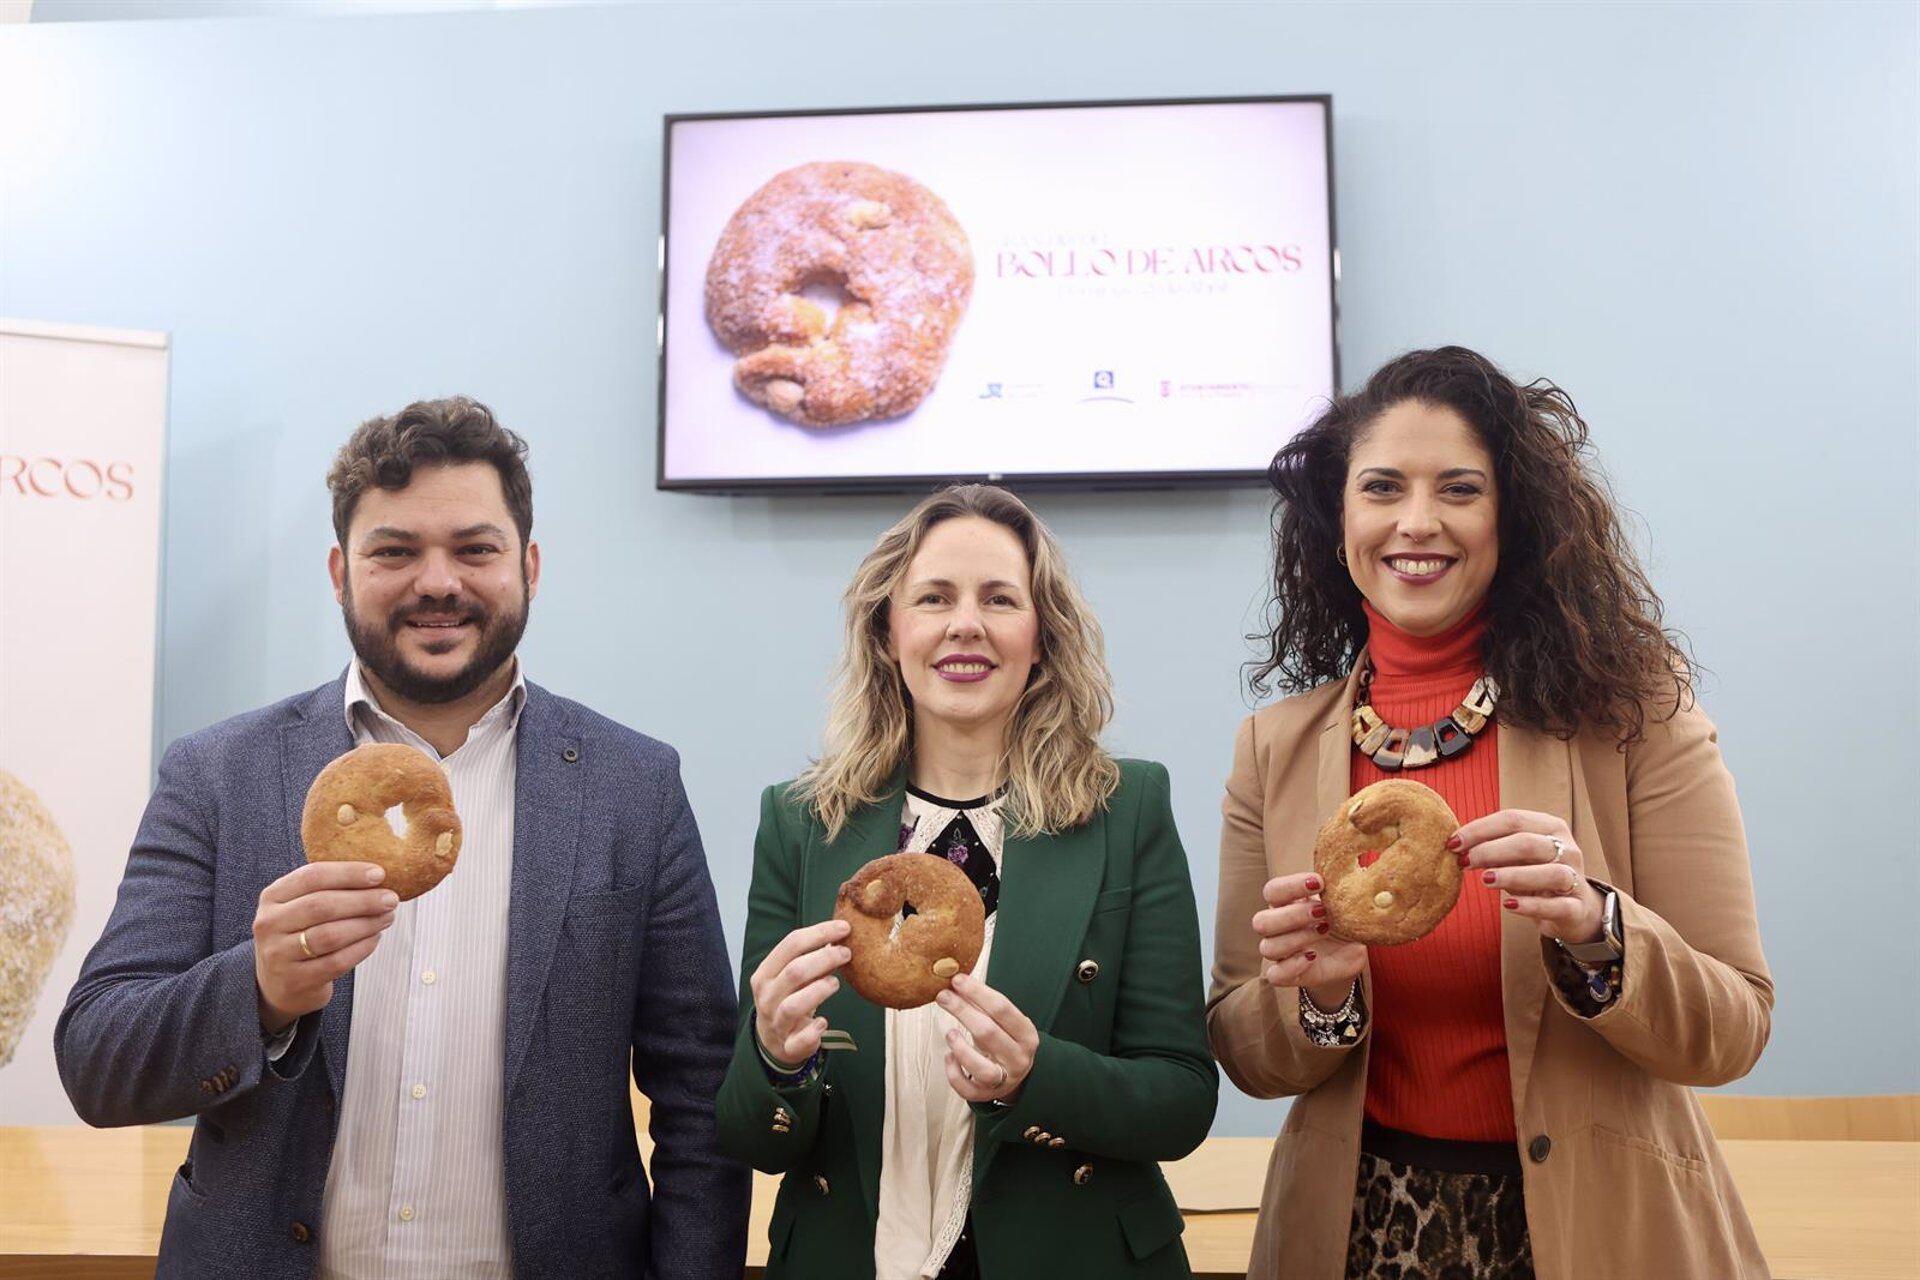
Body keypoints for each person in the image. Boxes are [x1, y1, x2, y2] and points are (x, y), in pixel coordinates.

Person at [55, 397, 748, 1279]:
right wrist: (258, 991)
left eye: (475, 548)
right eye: (395, 550)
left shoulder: (631, 787)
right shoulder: (218, 775)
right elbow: (97, 1061)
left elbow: (700, 1098)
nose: (437, 581)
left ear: (528, 565)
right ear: (340, 572)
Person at [1208, 347, 1773, 1279]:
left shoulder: (1633, 715)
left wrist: (1599, 929)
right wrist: (1317, 994)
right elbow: (1245, 1050)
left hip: (1604, 1232)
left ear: (1513, 517)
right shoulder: (1273, 749)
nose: (1416, 522)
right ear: (1338, 518)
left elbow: (1733, 1029)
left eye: (1459, 489)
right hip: (1353, 1235)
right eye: (1382, 487)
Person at [717, 484, 1217, 1279]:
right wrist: (776, 1057)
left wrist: (1037, 1075)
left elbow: (1182, 1099)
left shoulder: (1127, 812)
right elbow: (749, 1139)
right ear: (889, 631)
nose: (965, 624)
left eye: (1000, 599)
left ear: (1042, 636)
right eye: (934, 598)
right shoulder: (804, 824)